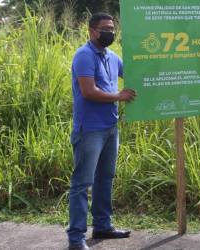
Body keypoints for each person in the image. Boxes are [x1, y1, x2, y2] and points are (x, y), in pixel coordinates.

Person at [67, 13, 136, 250]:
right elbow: (89, 91)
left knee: (105, 178)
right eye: (105, 28)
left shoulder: (113, 57)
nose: (110, 32)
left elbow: (135, 76)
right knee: (82, 183)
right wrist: (119, 96)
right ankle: (76, 238)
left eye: (112, 28)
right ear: (92, 31)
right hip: (90, 131)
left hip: (110, 128)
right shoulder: (84, 56)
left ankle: (103, 226)